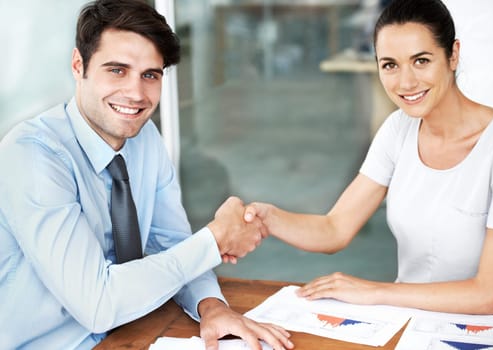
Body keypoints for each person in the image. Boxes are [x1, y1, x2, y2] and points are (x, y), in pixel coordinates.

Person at [0, 1, 294, 349]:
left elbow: (170, 243)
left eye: (150, 75)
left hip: (134, 332)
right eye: (117, 70)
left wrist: (210, 306)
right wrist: (215, 240)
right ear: (79, 66)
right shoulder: (33, 154)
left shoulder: (145, 139)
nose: (136, 94)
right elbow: (99, 305)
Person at [245, 0, 493, 315]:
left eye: (421, 61)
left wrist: (374, 290)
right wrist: (267, 217)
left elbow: (488, 296)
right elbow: (336, 227)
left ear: (453, 55)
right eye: (390, 65)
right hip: (407, 320)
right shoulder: (399, 128)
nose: (406, 82)